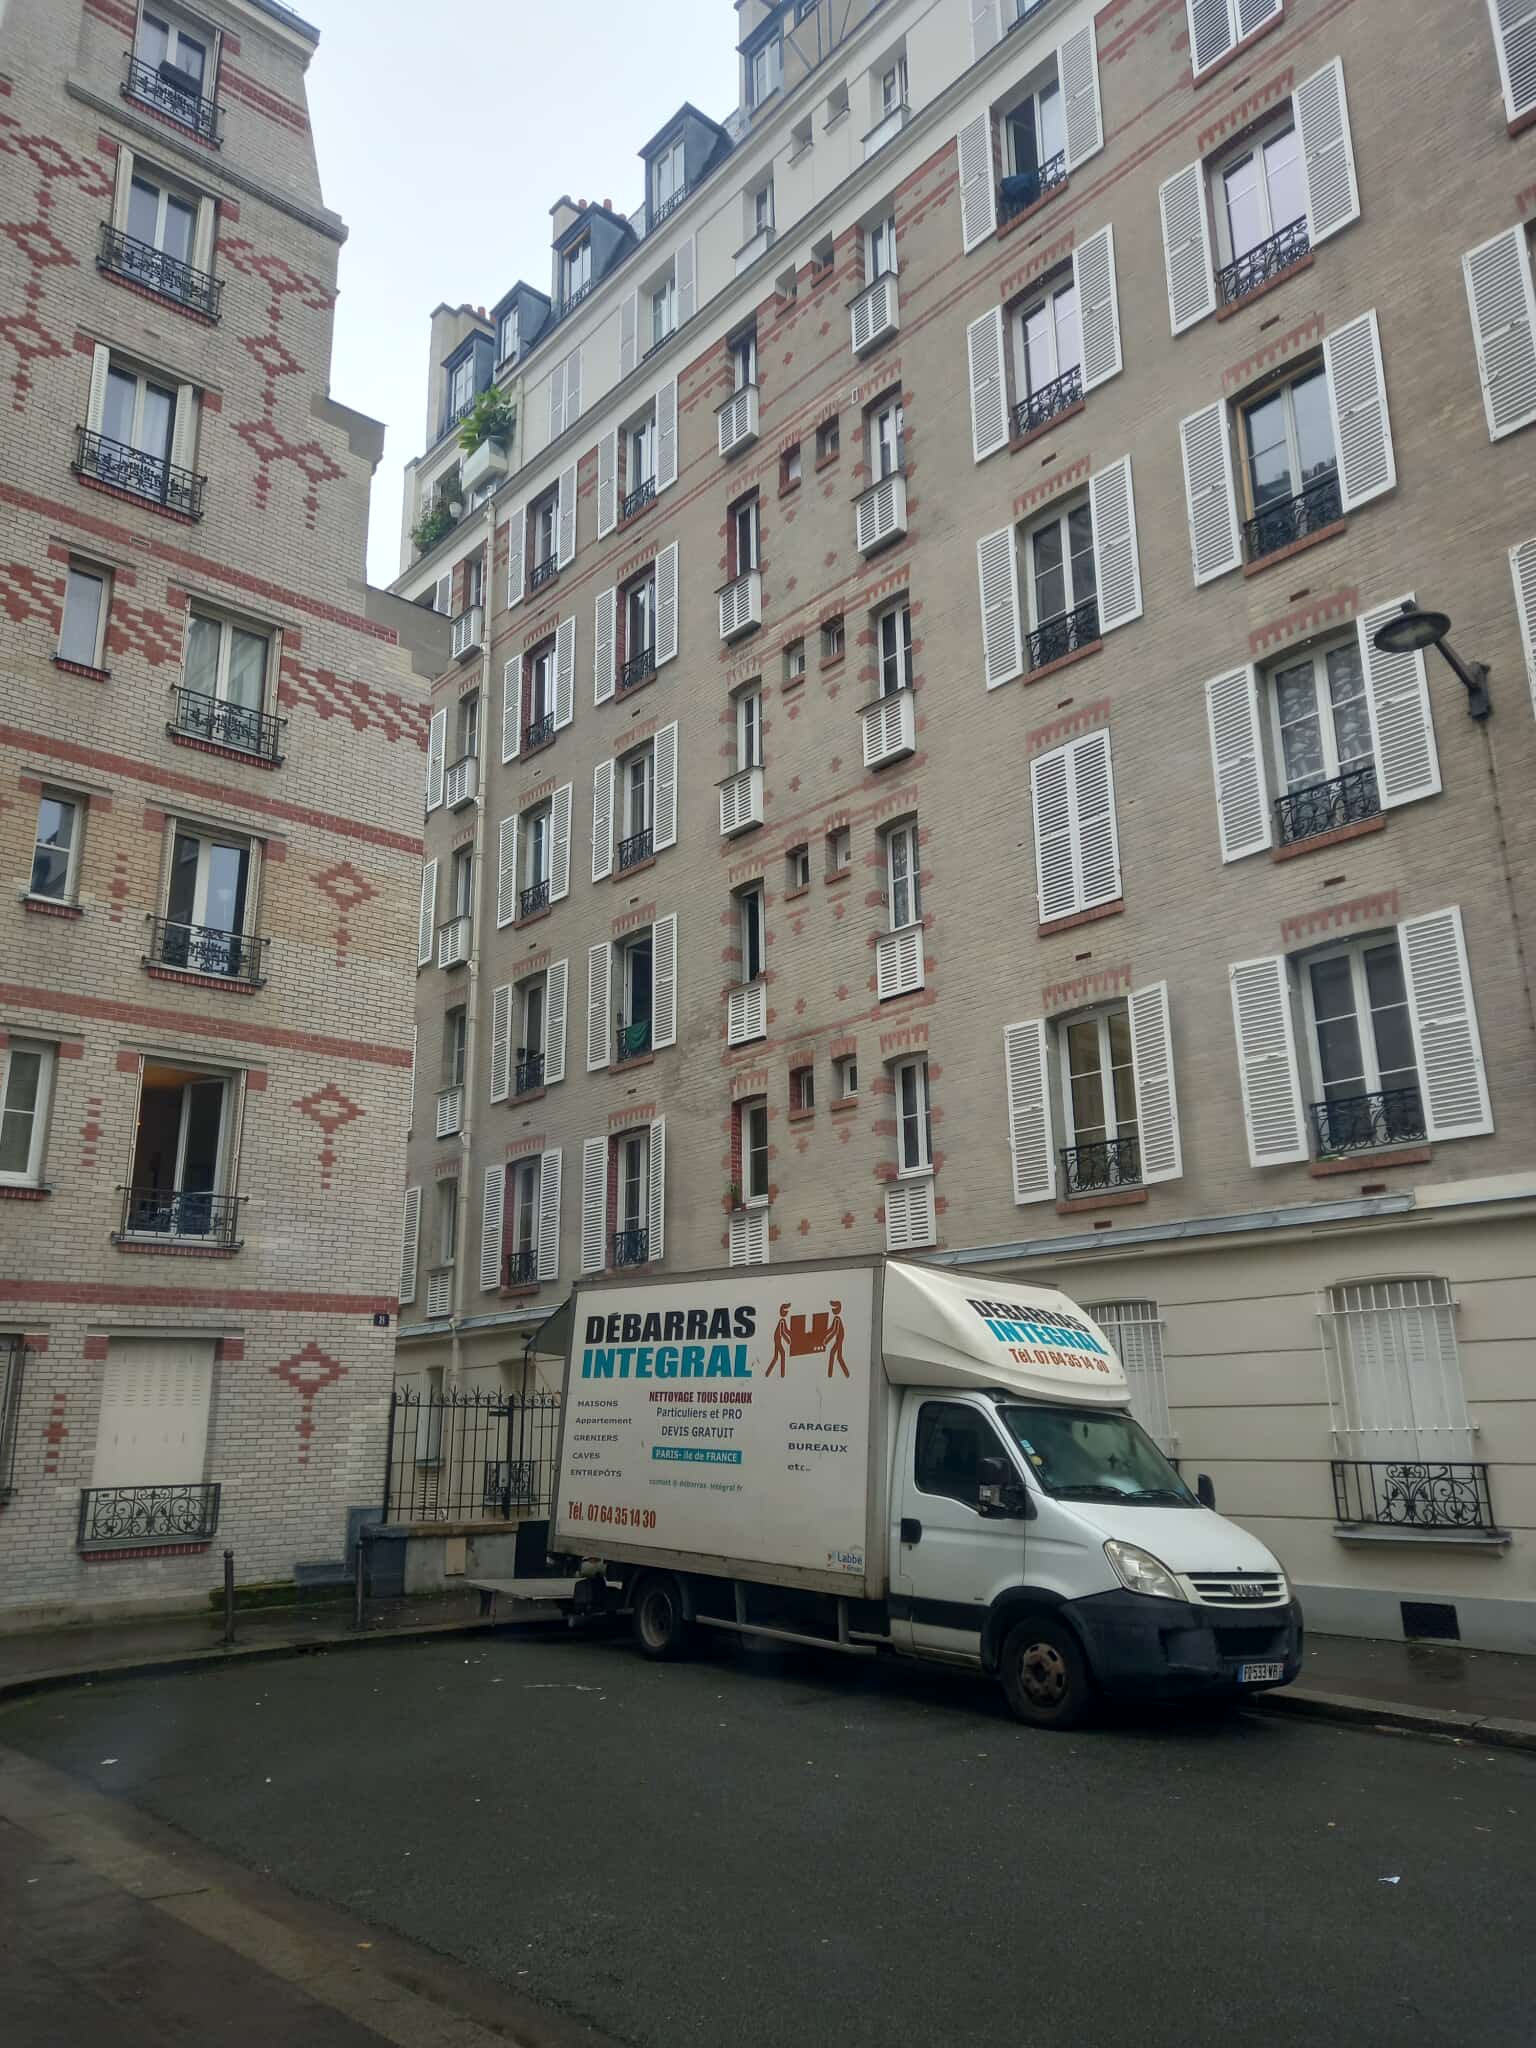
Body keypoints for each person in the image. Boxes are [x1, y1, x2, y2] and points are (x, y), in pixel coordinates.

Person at [767, 1304, 792, 1377]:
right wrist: (788, 1340)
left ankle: (767, 1373)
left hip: (777, 1339)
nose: (786, 1312)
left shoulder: (782, 1320)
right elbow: (783, 1332)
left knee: (776, 1356)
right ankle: (782, 1375)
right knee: (783, 1353)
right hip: (777, 1339)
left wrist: (792, 1335)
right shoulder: (782, 1321)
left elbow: (786, 1331)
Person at [825, 1300, 848, 1379]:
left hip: (839, 1338)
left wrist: (827, 1341)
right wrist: (825, 1333)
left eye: (834, 1308)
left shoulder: (837, 1319)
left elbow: (834, 1331)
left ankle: (830, 1375)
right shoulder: (836, 1319)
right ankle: (846, 1374)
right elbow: (831, 1329)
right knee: (839, 1357)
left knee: (832, 1353)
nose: (833, 1310)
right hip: (839, 1338)